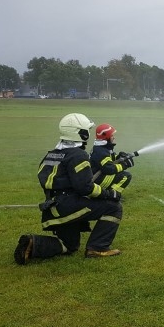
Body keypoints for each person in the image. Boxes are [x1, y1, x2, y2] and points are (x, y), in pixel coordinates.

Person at [14, 113, 124, 265]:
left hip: (52, 208)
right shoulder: (78, 155)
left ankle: (32, 243)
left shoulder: (52, 154)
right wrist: (109, 194)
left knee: (70, 245)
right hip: (68, 206)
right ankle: (97, 248)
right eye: (87, 130)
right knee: (114, 208)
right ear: (81, 133)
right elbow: (85, 188)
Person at [90, 123, 135, 194]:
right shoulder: (101, 151)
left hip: (97, 175)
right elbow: (109, 169)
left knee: (120, 173)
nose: (113, 137)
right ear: (106, 137)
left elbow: (109, 160)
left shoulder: (103, 147)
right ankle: (112, 195)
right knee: (126, 176)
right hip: (95, 179)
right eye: (111, 135)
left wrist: (119, 157)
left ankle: (109, 193)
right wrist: (124, 165)